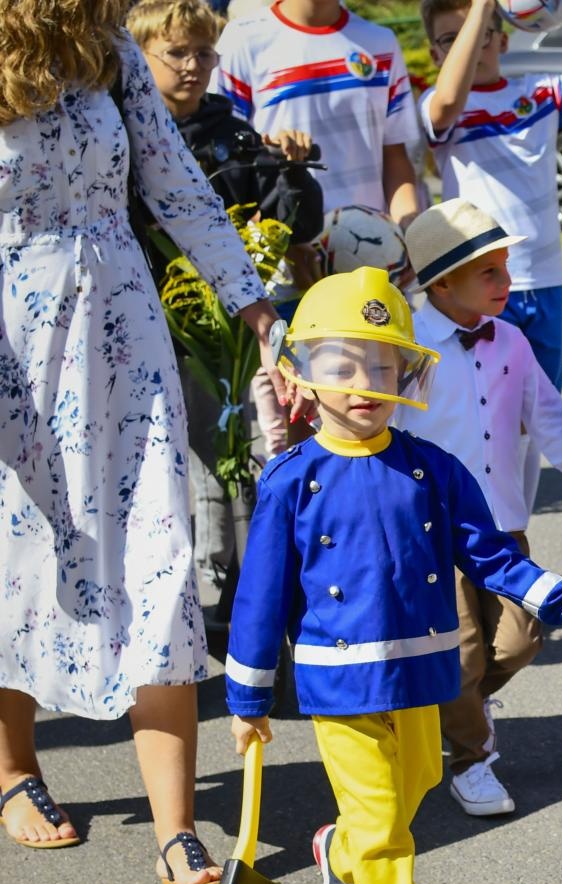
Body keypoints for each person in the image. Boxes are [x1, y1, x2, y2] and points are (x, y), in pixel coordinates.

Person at [224, 267, 562, 884]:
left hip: (426, 674)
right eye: (343, 364)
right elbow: (261, 595)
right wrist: (248, 696)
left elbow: (492, 557)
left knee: (413, 789)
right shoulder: (291, 479)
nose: (365, 383)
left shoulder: (432, 468)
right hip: (340, 683)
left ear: (407, 371)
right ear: (305, 373)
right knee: (388, 831)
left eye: (382, 364)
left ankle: (339, 855)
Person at [0, 6, 279, 884]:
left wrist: (255, 305)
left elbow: (178, 186)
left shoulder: (113, 53)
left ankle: (177, 829)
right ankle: (11, 768)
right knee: (22, 559)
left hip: (122, 332)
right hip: (15, 341)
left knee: (158, 558)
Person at [392, 198, 562, 816]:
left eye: (506, 268)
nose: (507, 283)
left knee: (520, 640)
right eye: (490, 272)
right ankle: (473, 758)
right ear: (442, 282)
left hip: (503, 523)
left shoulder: (510, 340)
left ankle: (453, 709)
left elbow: (553, 425)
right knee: (459, 652)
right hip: (432, 530)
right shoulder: (406, 345)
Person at [129, 0, 323, 633]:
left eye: (203, 53)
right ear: (139, 57)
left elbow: (296, 224)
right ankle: (160, 605)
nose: (192, 66)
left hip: (226, 334)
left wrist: (292, 169)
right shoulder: (119, 124)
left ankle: (239, 598)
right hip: (141, 324)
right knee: (158, 474)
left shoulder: (235, 133)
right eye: (175, 54)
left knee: (237, 457)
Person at [420, 0, 562, 390]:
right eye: (450, 40)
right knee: (489, 415)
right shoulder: (438, 105)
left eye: (481, 36)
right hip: (477, 284)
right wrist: (480, 10)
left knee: (544, 411)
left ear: (504, 41)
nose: (471, 47)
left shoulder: (541, 92)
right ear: (435, 53)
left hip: (543, 279)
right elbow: (447, 102)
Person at [211, 0, 424, 227]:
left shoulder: (381, 42)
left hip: (372, 247)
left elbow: (394, 155)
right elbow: (225, 158)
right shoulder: (242, 40)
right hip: (284, 248)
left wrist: (406, 225)